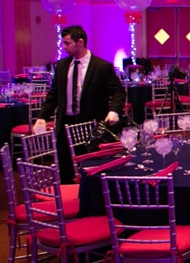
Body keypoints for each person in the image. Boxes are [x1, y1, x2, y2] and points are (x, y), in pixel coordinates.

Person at [34, 25, 126, 182]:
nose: (64, 47)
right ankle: (69, 203)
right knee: (66, 167)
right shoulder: (62, 66)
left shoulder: (102, 67)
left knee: (91, 167)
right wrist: (42, 116)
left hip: (91, 124)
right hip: (65, 123)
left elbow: (118, 92)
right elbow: (54, 94)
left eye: (67, 43)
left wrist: (114, 111)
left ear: (80, 42)